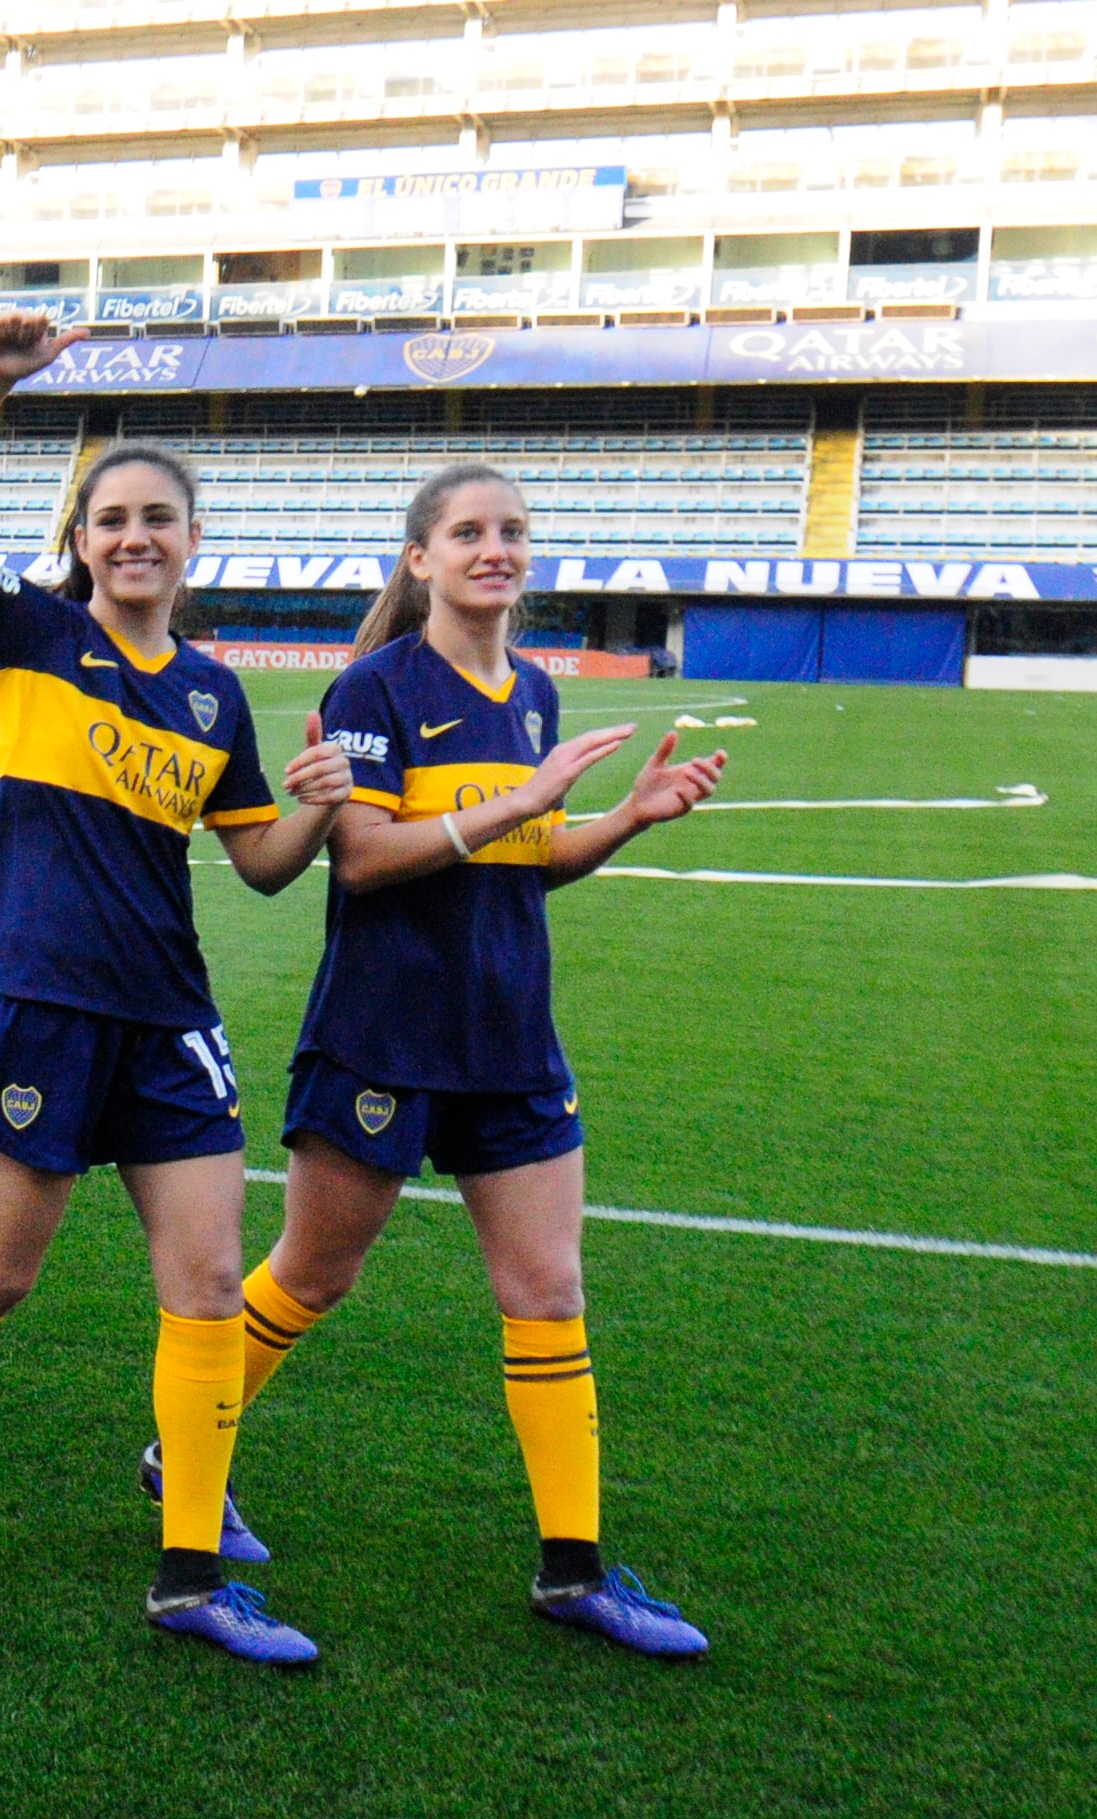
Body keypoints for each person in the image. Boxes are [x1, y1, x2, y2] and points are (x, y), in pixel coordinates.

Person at [0, 309, 355, 1666]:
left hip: (166, 1012)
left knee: (208, 1281)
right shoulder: (31, 632)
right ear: (81, 537)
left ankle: (187, 1571)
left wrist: (323, 803)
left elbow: (259, 865)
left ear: (191, 539)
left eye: (156, 518)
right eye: (110, 518)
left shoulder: (214, 696)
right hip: (33, 998)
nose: (132, 537)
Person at [231, 464, 727, 1659]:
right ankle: (181, 1442)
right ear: (421, 559)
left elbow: (532, 860)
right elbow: (361, 858)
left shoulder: (535, 692)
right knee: (313, 1274)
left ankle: (573, 1569)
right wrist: (526, 799)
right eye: (466, 532)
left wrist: (622, 817)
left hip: (509, 1037)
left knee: (548, 1290)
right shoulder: (374, 687)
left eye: (510, 530)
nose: (493, 549)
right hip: (383, 1032)